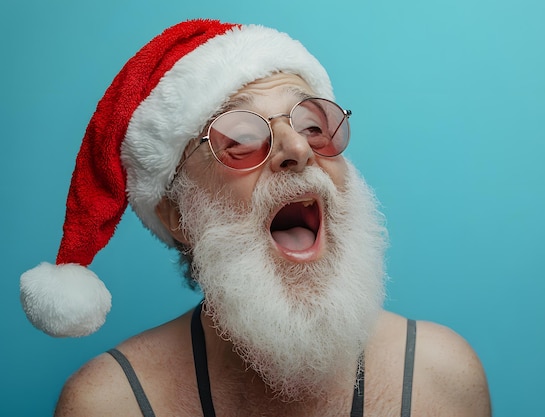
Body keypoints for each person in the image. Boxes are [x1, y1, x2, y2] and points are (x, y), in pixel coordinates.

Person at [19, 19, 491, 416]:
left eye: (313, 124)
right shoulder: (109, 402)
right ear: (178, 214)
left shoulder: (441, 374)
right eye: (241, 138)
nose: (298, 148)